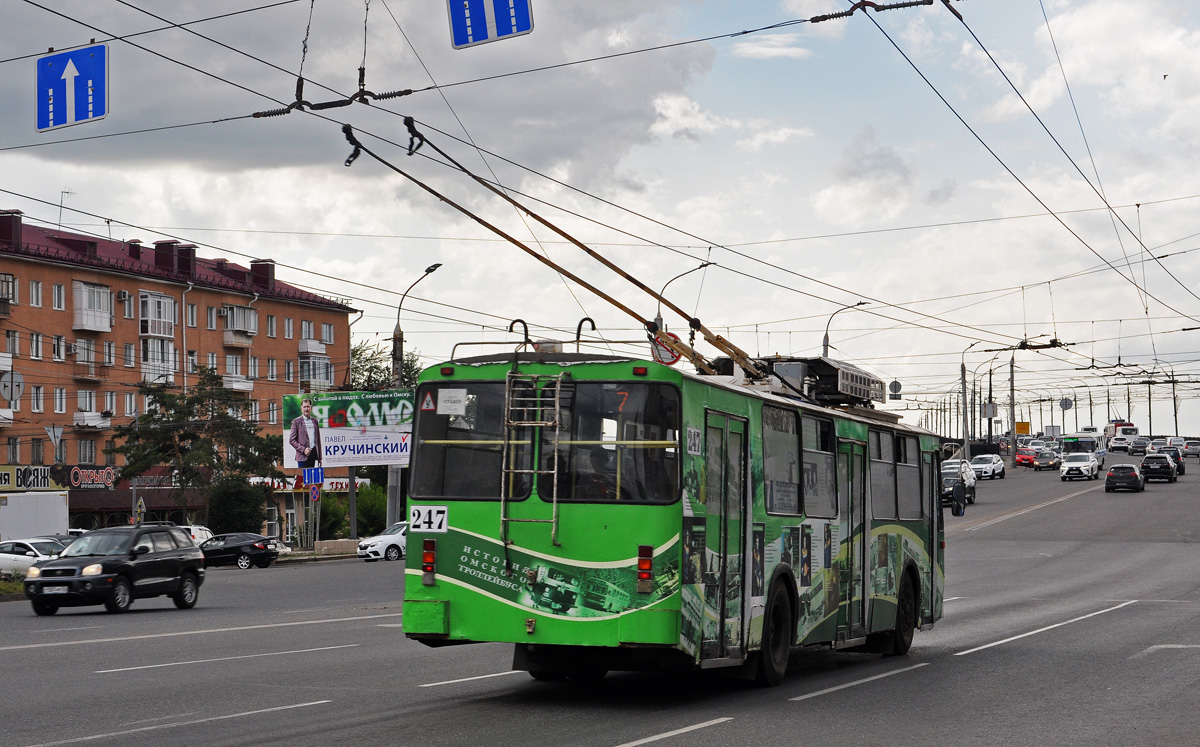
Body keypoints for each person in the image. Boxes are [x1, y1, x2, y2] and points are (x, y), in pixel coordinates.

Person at [289, 398, 322, 468]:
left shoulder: (315, 421)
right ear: (301, 408)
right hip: (302, 457)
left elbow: (318, 440)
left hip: (313, 454)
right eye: (304, 407)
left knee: (311, 477)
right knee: (303, 478)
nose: (306, 409)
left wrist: (320, 458)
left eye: (308, 406)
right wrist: (303, 450)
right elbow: (291, 440)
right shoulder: (296, 422)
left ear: (311, 408)